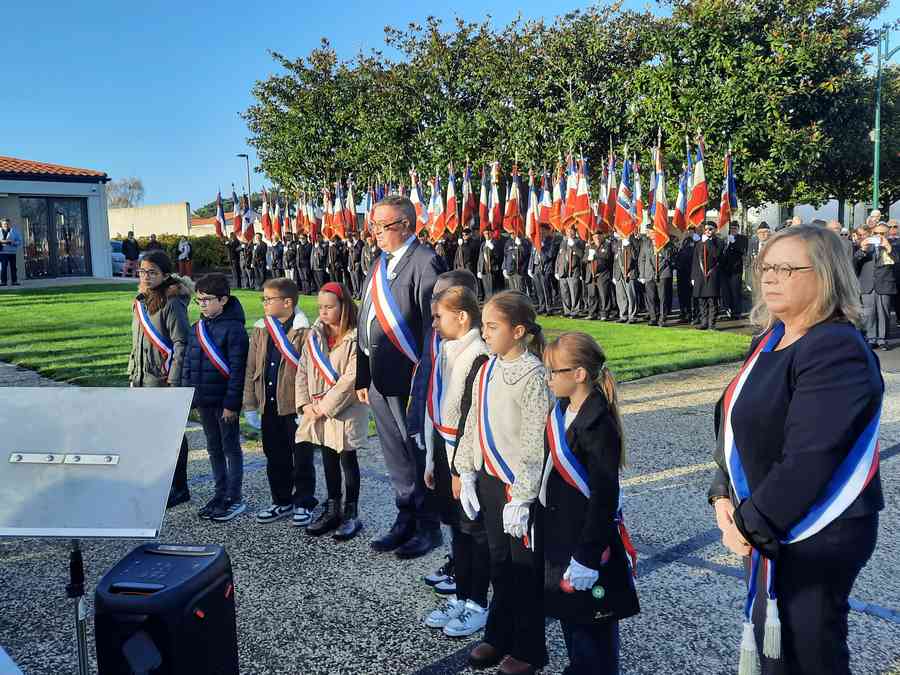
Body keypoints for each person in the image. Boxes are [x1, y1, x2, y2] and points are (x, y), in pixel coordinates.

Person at [708, 225, 883, 675]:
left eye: (786, 268)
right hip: (767, 519)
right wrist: (722, 494)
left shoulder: (835, 348)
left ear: (825, 276)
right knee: (777, 651)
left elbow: (812, 456)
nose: (770, 277)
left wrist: (746, 524)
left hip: (818, 531)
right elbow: (733, 421)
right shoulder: (769, 339)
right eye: (766, 266)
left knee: (808, 654)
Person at [455, 290, 550, 675]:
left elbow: (534, 440)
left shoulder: (535, 375)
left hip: (519, 489)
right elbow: (473, 423)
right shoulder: (487, 368)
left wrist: (524, 496)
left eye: (493, 326)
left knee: (525, 571)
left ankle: (529, 648)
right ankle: (499, 634)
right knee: (499, 564)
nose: (485, 332)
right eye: (485, 325)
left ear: (519, 331)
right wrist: (465, 470)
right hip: (492, 483)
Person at [540, 332, 640, 675]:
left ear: (579, 374)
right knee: (573, 618)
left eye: (554, 372)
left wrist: (586, 555)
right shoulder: (563, 411)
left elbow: (604, 496)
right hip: (563, 533)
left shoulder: (598, 424)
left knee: (595, 623)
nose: (548, 378)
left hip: (588, 543)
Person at [356, 195, 448, 559]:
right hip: (380, 378)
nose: (376, 232)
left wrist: (423, 382)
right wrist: (363, 377)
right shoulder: (379, 263)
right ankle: (405, 518)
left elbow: (433, 329)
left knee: (416, 453)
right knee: (394, 455)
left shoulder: (425, 261)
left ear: (407, 226)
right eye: (374, 225)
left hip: (410, 379)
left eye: (384, 225)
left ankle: (428, 527)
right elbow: (366, 322)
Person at [422, 281, 493, 638]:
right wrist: (432, 462)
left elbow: (470, 417)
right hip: (444, 450)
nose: (433, 324)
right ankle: (462, 595)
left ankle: (478, 603)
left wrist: (460, 469)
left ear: (462, 317)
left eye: (439, 317)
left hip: (465, 459)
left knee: (473, 533)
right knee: (457, 532)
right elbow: (435, 404)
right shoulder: (448, 349)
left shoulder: (477, 355)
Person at [294, 281, 368, 540]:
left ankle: (351, 513)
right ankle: (333, 507)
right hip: (316, 408)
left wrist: (324, 408)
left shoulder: (357, 337)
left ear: (343, 306)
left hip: (344, 410)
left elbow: (351, 378)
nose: (323, 312)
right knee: (327, 457)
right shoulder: (315, 335)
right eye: (320, 307)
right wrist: (305, 405)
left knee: (348, 460)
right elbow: (302, 369)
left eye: (329, 307)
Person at [243, 278, 318, 526]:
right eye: (263, 299)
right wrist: (251, 404)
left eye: (268, 299)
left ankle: (304, 502)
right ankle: (281, 500)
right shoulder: (261, 329)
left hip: (295, 406)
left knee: (302, 457)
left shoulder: (305, 331)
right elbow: (251, 368)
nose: (264, 303)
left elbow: (311, 371)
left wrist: (306, 405)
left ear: (287, 302)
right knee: (275, 455)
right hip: (269, 403)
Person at [180, 273, 249, 522]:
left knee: (230, 448)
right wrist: (191, 396)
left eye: (207, 300)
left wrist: (232, 404)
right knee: (213, 448)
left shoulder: (235, 329)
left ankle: (234, 496)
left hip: (224, 401)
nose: (203, 305)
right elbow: (189, 363)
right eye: (199, 301)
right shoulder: (196, 327)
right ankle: (219, 493)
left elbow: (238, 370)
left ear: (223, 300)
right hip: (205, 399)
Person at [129, 250, 192, 507]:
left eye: (152, 272)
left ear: (165, 275)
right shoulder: (141, 300)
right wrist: (133, 372)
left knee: (172, 433)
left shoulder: (172, 301)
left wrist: (174, 381)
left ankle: (179, 486)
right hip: (142, 376)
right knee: (150, 433)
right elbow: (137, 342)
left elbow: (181, 342)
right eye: (143, 271)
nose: (145, 276)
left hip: (163, 378)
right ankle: (160, 482)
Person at [855, 221, 897, 350]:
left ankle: (882, 339)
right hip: (867, 284)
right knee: (869, 313)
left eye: (882, 233)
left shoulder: (894, 246)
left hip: (885, 284)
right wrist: (862, 249)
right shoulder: (867, 246)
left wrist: (889, 248)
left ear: (888, 233)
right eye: (876, 233)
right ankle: (871, 338)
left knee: (883, 313)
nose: (879, 236)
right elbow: (854, 262)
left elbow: (897, 262)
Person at [691, 222, 724, 330]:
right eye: (706, 229)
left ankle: (711, 324)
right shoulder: (699, 243)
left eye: (710, 229)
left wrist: (708, 243)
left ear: (715, 230)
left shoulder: (718, 242)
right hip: (700, 275)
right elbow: (695, 261)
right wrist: (693, 277)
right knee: (702, 300)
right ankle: (704, 322)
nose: (708, 231)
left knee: (712, 301)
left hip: (712, 274)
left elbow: (716, 255)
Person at [638, 236, 674, 327]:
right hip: (649, 274)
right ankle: (653, 317)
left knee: (663, 298)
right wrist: (642, 274)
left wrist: (660, 247)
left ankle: (662, 319)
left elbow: (669, 257)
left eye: (652, 232)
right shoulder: (646, 243)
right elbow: (642, 259)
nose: (650, 234)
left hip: (663, 273)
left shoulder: (666, 242)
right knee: (651, 298)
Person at [721, 222, 748, 319]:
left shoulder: (742, 239)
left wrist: (733, 243)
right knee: (726, 292)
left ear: (738, 229)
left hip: (736, 269)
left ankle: (737, 312)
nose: (733, 230)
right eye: (731, 228)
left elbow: (742, 250)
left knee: (735, 291)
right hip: (725, 269)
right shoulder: (725, 238)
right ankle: (727, 310)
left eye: (735, 228)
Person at [556, 227, 585, 318]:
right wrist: (556, 270)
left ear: (575, 231)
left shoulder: (579, 242)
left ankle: (575, 311)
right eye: (567, 231)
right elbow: (559, 256)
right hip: (562, 271)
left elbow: (582, 255)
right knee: (565, 292)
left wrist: (573, 246)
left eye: (571, 231)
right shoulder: (563, 242)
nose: (568, 232)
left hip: (573, 271)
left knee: (574, 292)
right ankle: (567, 310)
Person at [611, 232, 638, 323]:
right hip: (619, 273)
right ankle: (623, 315)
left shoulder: (633, 242)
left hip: (629, 272)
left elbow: (635, 256)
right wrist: (614, 274)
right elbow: (615, 260)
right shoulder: (618, 243)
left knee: (631, 295)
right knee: (621, 296)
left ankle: (632, 316)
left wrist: (628, 245)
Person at [675, 227, 698, 324]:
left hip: (690, 273)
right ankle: (684, 313)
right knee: (682, 295)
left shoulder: (697, 243)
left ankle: (693, 315)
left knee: (692, 296)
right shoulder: (684, 242)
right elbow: (679, 256)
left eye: (691, 231)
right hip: (681, 273)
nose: (689, 233)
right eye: (688, 231)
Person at [478, 229, 505, 299]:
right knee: (487, 290)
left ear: (491, 234)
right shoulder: (483, 244)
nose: (486, 235)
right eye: (485, 234)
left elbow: (499, 256)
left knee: (493, 290)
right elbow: (480, 258)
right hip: (484, 270)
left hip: (493, 270)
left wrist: (493, 248)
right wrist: (479, 270)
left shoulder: (496, 243)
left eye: (488, 233)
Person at [0, 218, 23, 286]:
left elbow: (19, 241)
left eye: (7, 224)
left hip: (12, 252)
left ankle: (14, 281)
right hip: (2, 253)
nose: (6, 225)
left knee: (13, 267)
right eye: (4, 224)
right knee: (3, 267)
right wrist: (1, 241)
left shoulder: (15, 231)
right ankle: (3, 282)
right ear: (1, 224)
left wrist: (12, 242)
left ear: (10, 224)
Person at [347, 231, 365, 299]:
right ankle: (355, 292)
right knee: (353, 280)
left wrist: (351, 247)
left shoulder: (360, 243)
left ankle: (359, 294)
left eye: (355, 235)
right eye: (352, 235)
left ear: (358, 235)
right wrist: (349, 265)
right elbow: (349, 255)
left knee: (358, 280)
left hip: (357, 264)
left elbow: (357, 253)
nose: (353, 236)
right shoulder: (352, 243)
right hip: (351, 265)